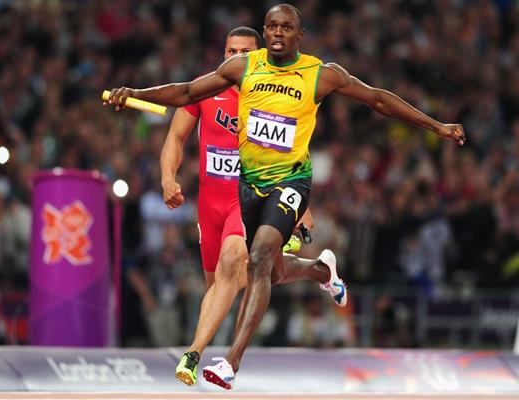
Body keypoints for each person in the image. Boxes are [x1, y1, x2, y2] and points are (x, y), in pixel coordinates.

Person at [105, 3, 465, 390]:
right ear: (266, 30)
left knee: (256, 260)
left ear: (299, 34)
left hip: (292, 182)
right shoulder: (243, 69)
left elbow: (377, 98)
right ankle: (321, 270)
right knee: (272, 271)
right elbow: (188, 91)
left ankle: (228, 361)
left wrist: (436, 126)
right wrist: (135, 93)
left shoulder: (320, 74)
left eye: (286, 27)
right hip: (250, 186)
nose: (278, 32)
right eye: (272, 25)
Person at [160, 27, 345, 387]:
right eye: (230, 50)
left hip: (248, 199)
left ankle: (194, 353)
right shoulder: (205, 89)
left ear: (257, 55)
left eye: (243, 52)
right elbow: (176, 136)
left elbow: (294, 158)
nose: (235, 58)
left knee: (236, 263)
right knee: (249, 278)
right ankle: (321, 270)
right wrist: (169, 177)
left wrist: (301, 208)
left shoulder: (274, 97)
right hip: (209, 205)